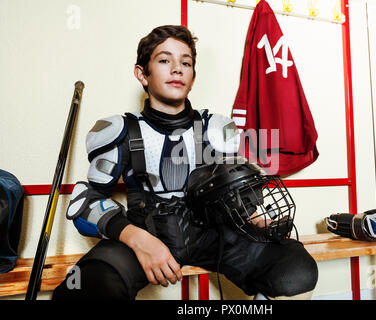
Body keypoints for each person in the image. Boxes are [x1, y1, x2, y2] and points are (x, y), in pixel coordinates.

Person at [52, 25, 318, 300]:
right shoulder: (119, 130)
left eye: (186, 62)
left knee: (295, 269)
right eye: (164, 60)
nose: (177, 69)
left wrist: (252, 218)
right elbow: (85, 201)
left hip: (212, 237)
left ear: (192, 78)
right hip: (145, 234)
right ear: (142, 74)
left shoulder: (216, 128)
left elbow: (231, 190)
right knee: (85, 288)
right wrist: (138, 240)